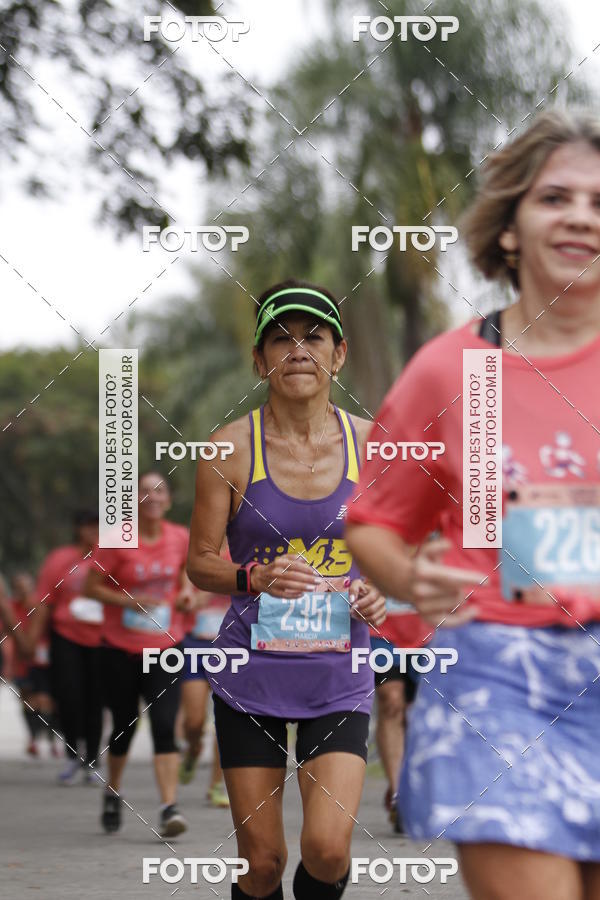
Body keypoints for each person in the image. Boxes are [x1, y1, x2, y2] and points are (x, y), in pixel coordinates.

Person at [346, 108, 600, 900]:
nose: (583, 217)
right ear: (513, 226)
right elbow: (376, 521)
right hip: (497, 673)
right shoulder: (450, 371)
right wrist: (410, 578)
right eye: (556, 198)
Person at [187, 279, 386, 900]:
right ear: (259, 358)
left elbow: (393, 553)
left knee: (327, 852)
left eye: (313, 337)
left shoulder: (374, 445)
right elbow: (199, 564)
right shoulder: (228, 447)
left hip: (337, 671)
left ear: (338, 354)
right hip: (252, 673)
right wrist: (254, 576)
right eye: (280, 338)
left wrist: (379, 589)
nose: (297, 350)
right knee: (263, 863)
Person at [84, 472, 194, 838]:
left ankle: (169, 808)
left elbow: (187, 578)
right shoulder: (117, 540)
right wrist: (129, 601)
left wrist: (186, 595)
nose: (152, 496)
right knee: (124, 725)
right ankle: (113, 791)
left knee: (165, 725)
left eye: (159, 490)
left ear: (169, 499)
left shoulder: (180, 537)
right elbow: (92, 587)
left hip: (166, 646)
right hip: (120, 648)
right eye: (144, 491)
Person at [26, 510, 104, 783]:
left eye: (98, 525)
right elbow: (44, 603)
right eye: (88, 526)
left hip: (103, 639)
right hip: (66, 637)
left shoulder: (111, 557)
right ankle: (73, 755)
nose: (93, 531)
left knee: (95, 700)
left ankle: (92, 760)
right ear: (77, 528)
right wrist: (33, 642)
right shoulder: (60, 559)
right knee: (68, 697)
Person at [369, 595, 429, 832]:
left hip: (430, 623)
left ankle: (412, 782)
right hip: (380, 623)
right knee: (391, 699)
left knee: (422, 710)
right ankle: (399, 797)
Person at [178, 542, 231, 808]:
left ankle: (216, 785)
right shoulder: (194, 551)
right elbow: (183, 600)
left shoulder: (245, 548)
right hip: (196, 644)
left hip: (231, 646)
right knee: (194, 721)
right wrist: (199, 596)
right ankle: (192, 749)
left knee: (226, 720)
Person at [8, 572, 59, 758]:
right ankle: (33, 739)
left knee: (46, 701)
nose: (22, 592)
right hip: (21, 661)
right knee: (27, 701)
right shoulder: (11, 607)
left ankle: (52, 741)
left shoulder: (41, 606)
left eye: (25, 588)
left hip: (42, 662)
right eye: (18, 588)